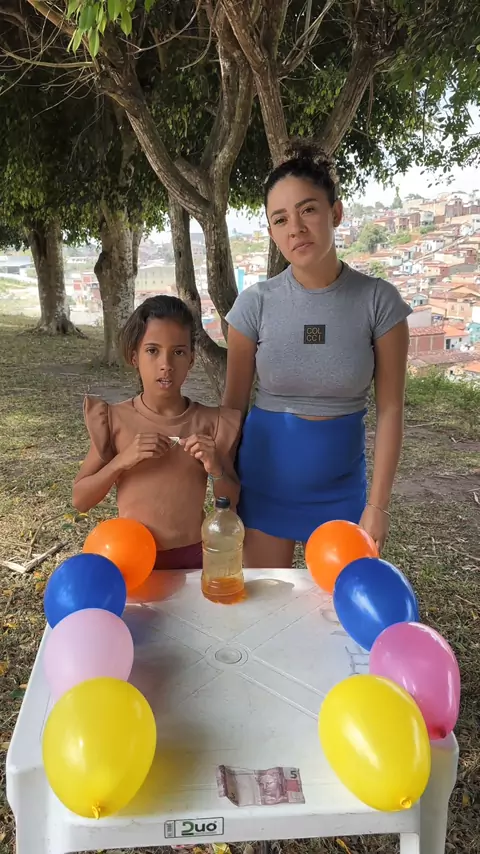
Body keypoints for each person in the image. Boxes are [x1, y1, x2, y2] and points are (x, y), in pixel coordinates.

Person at [223, 139, 412, 568]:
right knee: (266, 603)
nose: (295, 228)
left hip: (342, 492)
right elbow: (232, 408)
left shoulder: (379, 302)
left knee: (335, 607)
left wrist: (378, 506)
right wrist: (225, 482)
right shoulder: (254, 305)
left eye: (307, 209)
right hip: (263, 486)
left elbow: (391, 410)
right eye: (280, 219)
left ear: (336, 213)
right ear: (271, 232)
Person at [73, 295, 241, 570]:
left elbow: (231, 500)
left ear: (191, 359)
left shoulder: (213, 423)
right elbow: (80, 500)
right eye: (152, 350)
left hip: (193, 561)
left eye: (178, 352)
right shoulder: (114, 419)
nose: (166, 364)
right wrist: (122, 460)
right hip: (131, 560)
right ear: (134, 357)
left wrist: (216, 468)